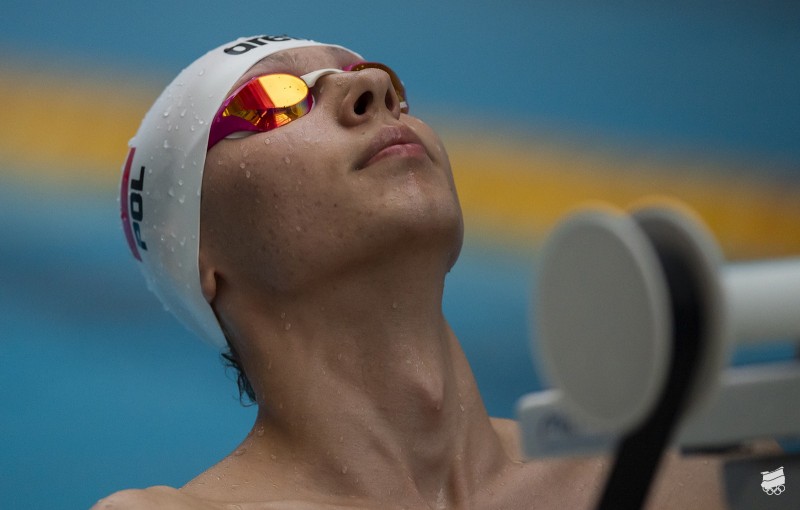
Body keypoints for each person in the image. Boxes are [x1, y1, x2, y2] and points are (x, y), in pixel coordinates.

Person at [96, 35, 735, 509]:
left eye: (379, 80)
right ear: (202, 257)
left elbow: (776, 486)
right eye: (275, 101)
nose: (372, 90)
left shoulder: (695, 468)